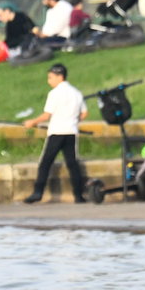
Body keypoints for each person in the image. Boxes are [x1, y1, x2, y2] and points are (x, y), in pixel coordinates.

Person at [22, 63, 88, 204]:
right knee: (72, 163)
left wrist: (32, 122)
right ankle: (78, 195)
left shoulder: (54, 93)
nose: (49, 81)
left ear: (60, 76)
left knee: (45, 163)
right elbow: (84, 113)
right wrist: (74, 121)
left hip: (57, 132)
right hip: (71, 132)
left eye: (51, 77)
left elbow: (47, 115)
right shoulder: (76, 93)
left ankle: (37, 193)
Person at [0, 2, 37, 67]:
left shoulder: (22, 18)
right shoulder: (9, 24)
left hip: (21, 48)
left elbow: (28, 35)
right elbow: (9, 40)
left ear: (7, 11)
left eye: (0, 15)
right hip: (12, 48)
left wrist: (0, 45)